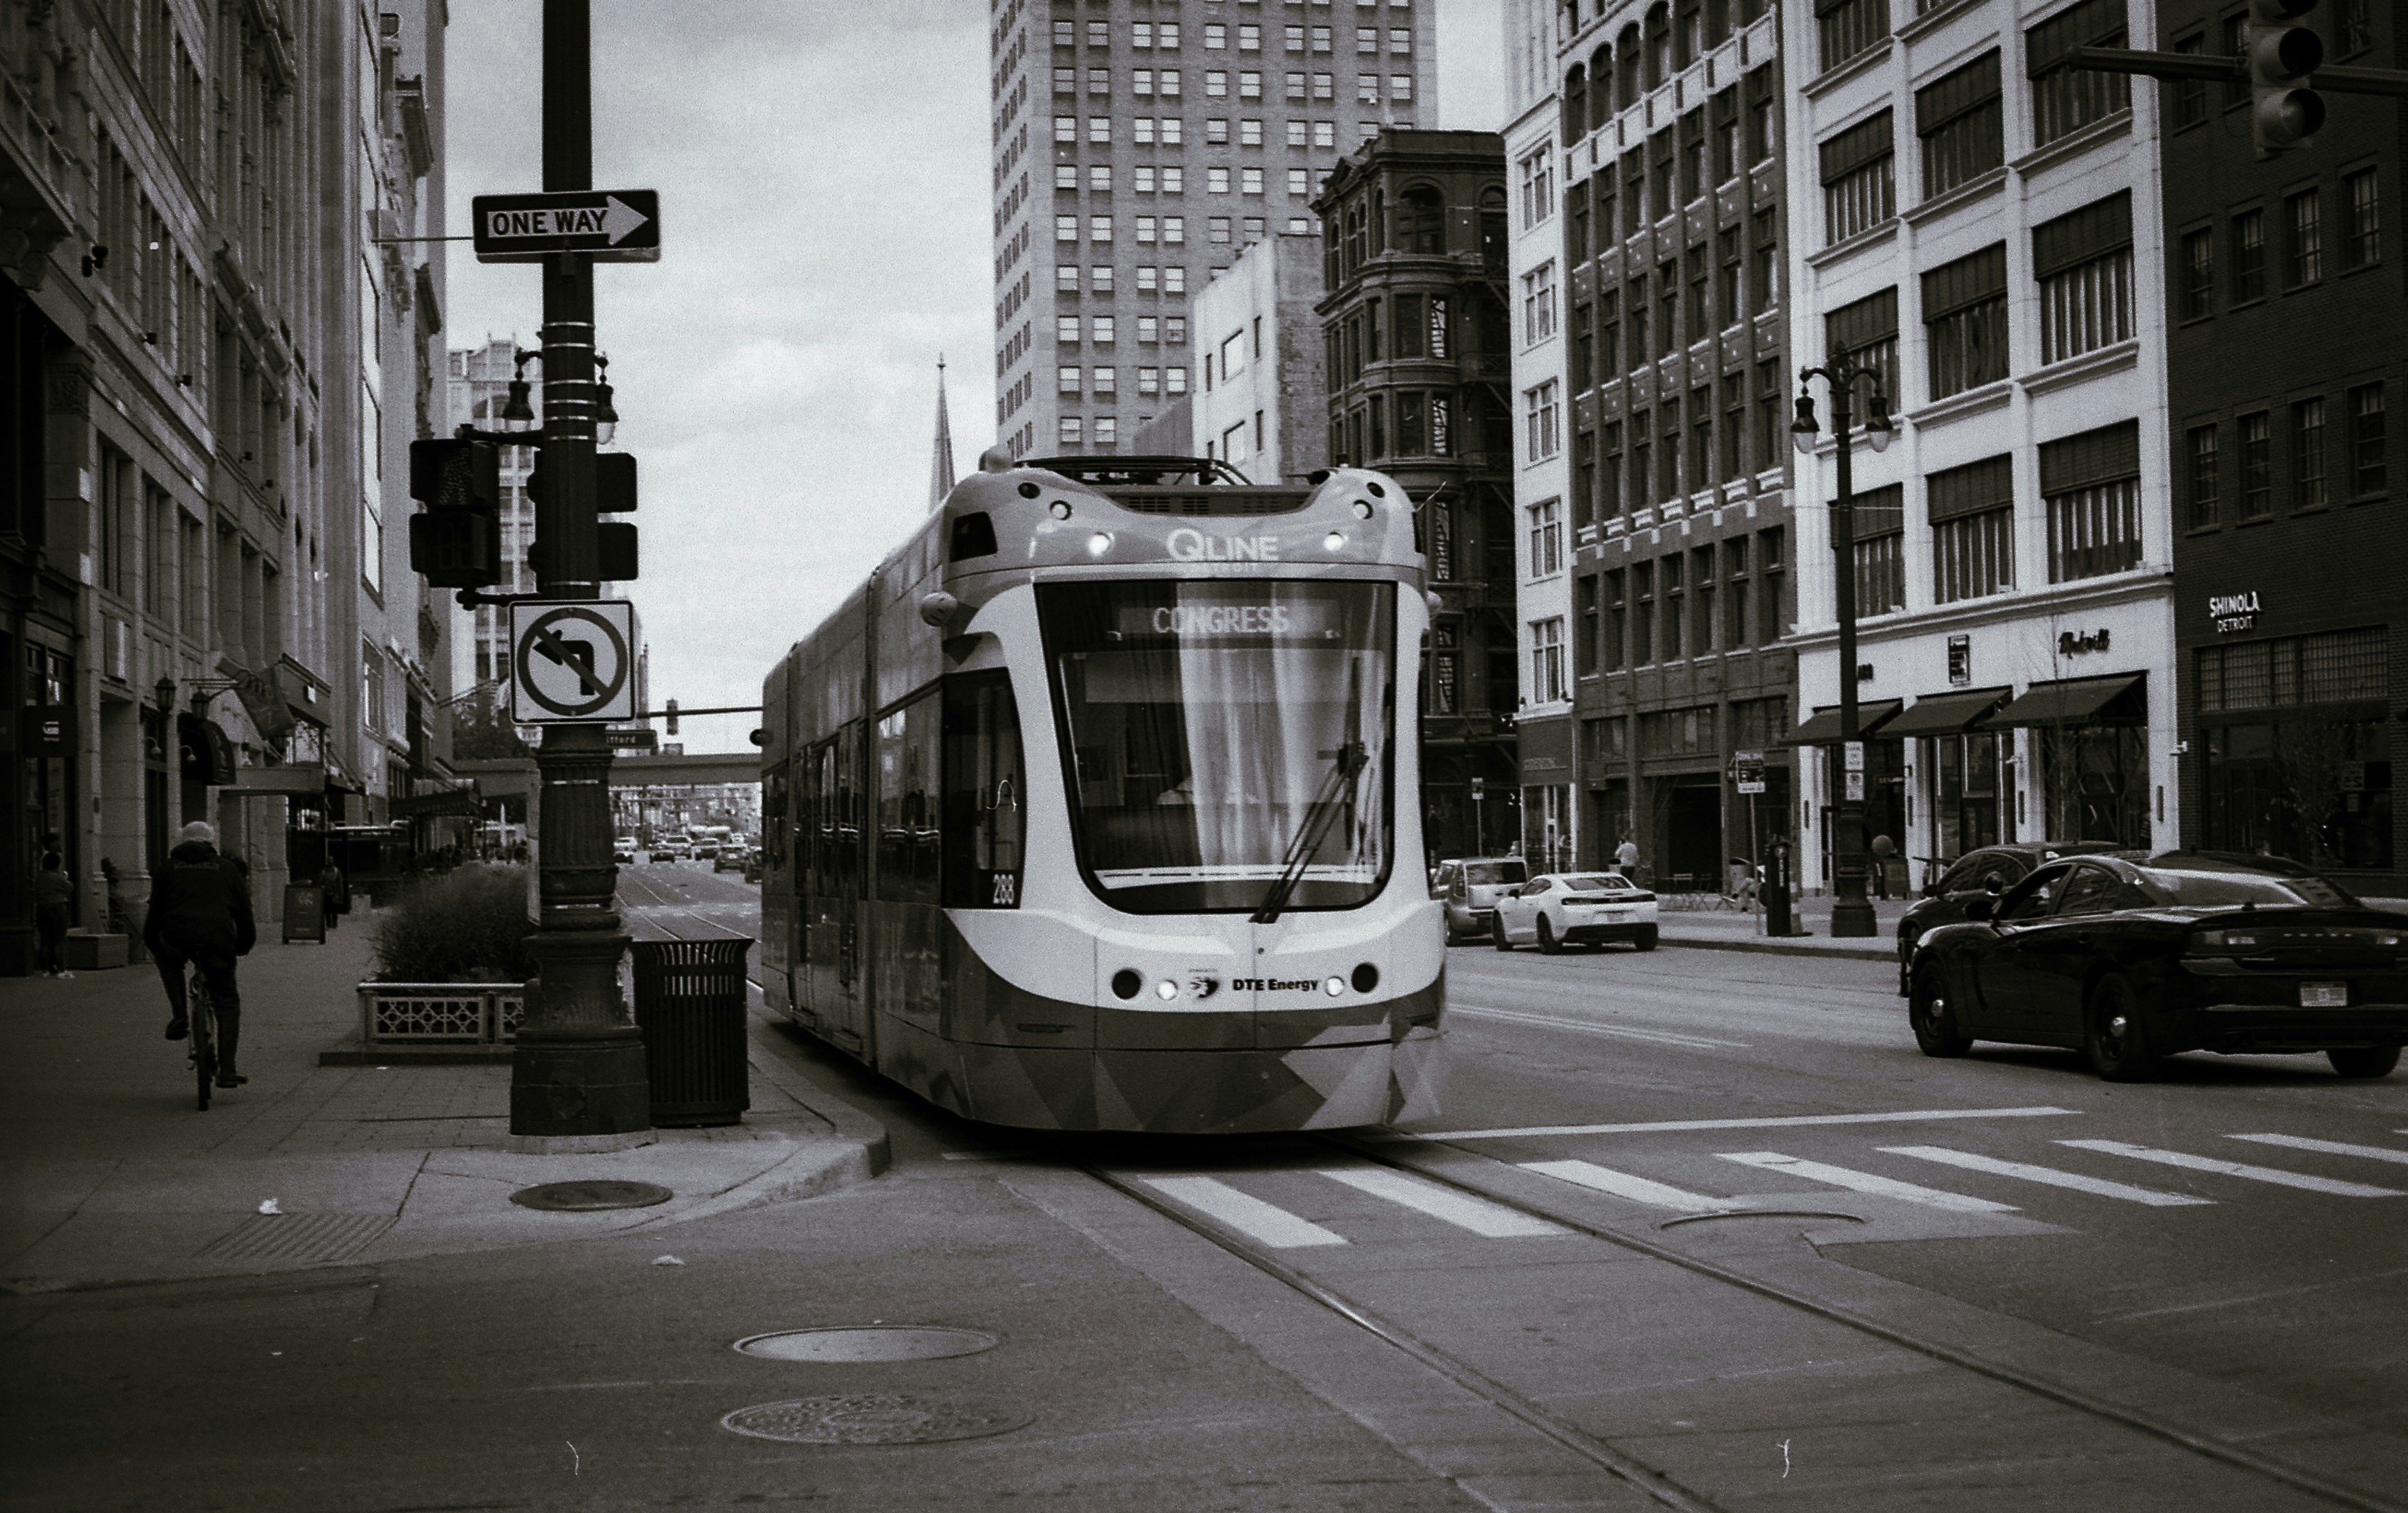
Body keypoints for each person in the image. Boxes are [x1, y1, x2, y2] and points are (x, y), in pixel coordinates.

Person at [146, 821, 256, 1088]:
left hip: (177, 938)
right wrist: (242, 945)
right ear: (210, 843)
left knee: (169, 962)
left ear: (182, 842)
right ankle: (227, 1070)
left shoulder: (167, 869)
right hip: (217, 940)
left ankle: (180, 1015)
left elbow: (155, 914)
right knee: (227, 1002)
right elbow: (244, 913)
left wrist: (154, 944)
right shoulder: (227, 869)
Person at [33, 851, 72, 978]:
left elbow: (35, 891)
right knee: (59, 940)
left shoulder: (39, 877)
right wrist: (66, 880)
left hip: (42, 908)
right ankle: (61, 970)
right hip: (58, 907)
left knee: (45, 940)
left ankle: (45, 970)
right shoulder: (59, 877)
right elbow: (69, 889)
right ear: (57, 864)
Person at [318, 858, 346, 934]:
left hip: (327, 892)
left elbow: (320, 882)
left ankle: (329, 924)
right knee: (333, 909)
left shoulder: (324, 871)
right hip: (334, 892)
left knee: (328, 909)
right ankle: (334, 924)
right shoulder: (336, 871)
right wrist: (341, 894)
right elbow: (340, 883)